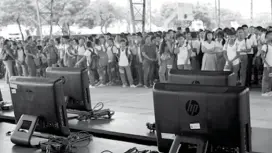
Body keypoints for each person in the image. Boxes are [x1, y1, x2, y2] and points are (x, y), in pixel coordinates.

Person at [261, 31, 272, 96]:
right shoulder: (265, 46)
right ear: (266, 37)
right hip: (267, 66)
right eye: (270, 35)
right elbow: (262, 56)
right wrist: (267, 65)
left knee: (271, 79)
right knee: (266, 79)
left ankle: (269, 91)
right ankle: (264, 92)